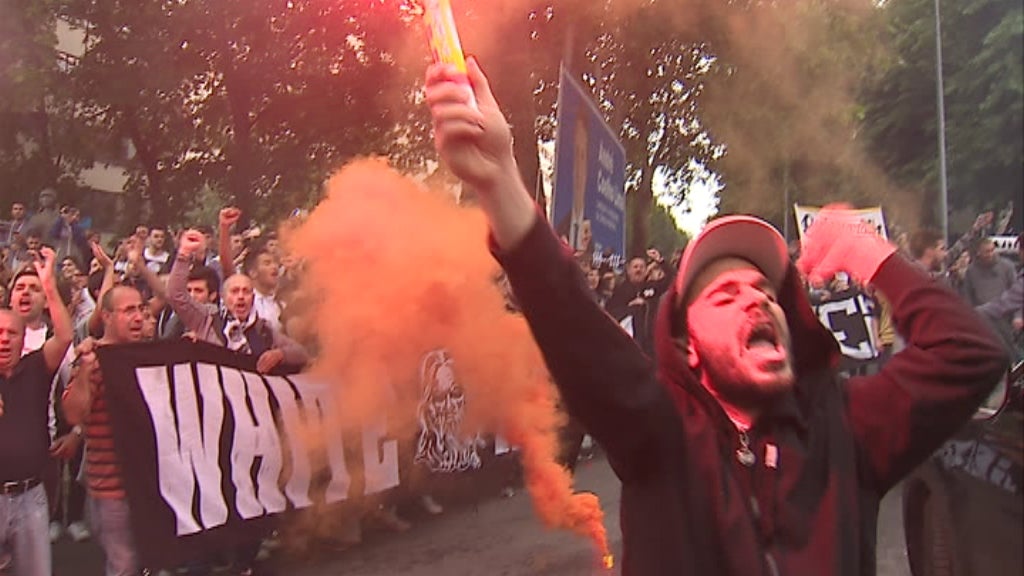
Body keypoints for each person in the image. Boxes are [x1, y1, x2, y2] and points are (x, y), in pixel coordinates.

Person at [425, 58, 1008, 575]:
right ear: (688, 348)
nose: (756, 299)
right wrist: (500, 176)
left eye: (764, 290)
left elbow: (973, 355)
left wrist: (872, 255)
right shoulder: (658, 431)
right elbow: (566, 308)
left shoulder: (846, 429)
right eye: (725, 297)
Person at [62, 286, 148, 576]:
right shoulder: (94, 360)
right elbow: (74, 413)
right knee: (122, 565)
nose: (138, 317)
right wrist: (85, 372)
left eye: (141, 309)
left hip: (143, 485)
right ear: (107, 316)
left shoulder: (149, 355)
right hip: (110, 490)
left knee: (135, 561)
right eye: (129, 311)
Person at [0, 247, 74, 576]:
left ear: (23, 339)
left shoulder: (37, 368)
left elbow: (65, 335)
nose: (4, 340)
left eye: (11, 334)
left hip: (31, 496)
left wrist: (49, 285)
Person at [962, 237, 1016, 307]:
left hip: (1003, 312)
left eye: (992, 250)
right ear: (978, 252)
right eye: (987, 251)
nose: (991, 254)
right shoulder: (971, 271)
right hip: (980, 314)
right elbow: (967, 296)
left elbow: (1015, 293)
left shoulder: (1007, 267)